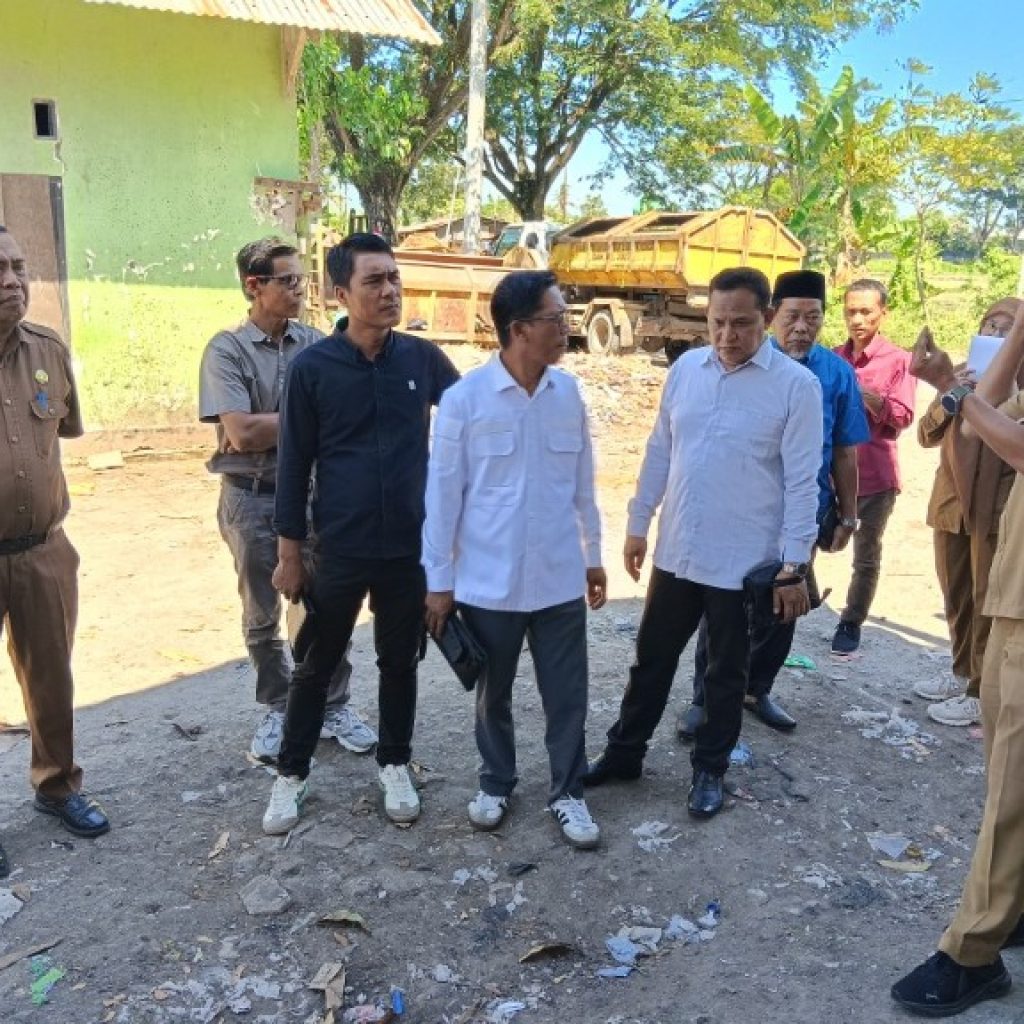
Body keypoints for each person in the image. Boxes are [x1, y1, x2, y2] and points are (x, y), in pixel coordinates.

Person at [583, 267, 822, 819]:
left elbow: (802, 483)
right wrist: (639, 522)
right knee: (651, 660)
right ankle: (624, 753)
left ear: (766, 318)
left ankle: (710, 770)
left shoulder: (796, 388)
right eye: (717, 322)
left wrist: (793, 566)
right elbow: (660, 449)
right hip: (678, 550)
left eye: (741, 324)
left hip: (743, 562)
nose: (726, 336)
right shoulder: (687, 370)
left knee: (724, 674)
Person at [261, 233, 459, 834]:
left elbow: (471, 418)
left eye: (394, 278)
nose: (390, 290)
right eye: (374, 280)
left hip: (407, 550)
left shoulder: (421, 360)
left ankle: (394, 764)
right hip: (338, 548)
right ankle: (291, 774)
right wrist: (290, 553)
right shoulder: (313, 369)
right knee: (314, 665)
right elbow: (293, 465)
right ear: (341, 294)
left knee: (400, 662)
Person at [422, 270, 607, 849]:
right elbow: (442, 498)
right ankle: (495, 782)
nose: (566, 329)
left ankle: (568, 792)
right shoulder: (465, 401)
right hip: (488, 581)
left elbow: (583, 485)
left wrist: (593, 556)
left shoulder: (568, 395)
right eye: (557, 319)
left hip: (558, 577)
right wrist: (439, 582)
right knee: (492, 692)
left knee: (567, 694)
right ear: (520, 329)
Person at [891, 302, 1024, 1017]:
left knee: (1012, 791)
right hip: (1012, 595)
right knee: (1006, 773)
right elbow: (983, 414)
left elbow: (1015, 445)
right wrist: (1006, 346)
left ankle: (972, 953)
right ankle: (1015, 905)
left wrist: (951, 388)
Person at [199, 238, 376, 762]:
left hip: (316, 499)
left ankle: (333, 704)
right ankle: (279, 707)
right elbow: (242, 433)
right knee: (263, 614)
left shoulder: (316, 343)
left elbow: (349, 410)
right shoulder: (226, 350)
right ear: (254, 286)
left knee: (329, 606)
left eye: (302, 279)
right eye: (289, 280)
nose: (301, 289)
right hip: (252, 499)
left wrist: (296, 421)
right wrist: (311, 416)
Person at [677, 269, 868, 737]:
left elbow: (844, 450)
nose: (802, 327)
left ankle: (755, 689)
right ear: (770, 316)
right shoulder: (740, 363)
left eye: (813, 317)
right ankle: (704, 699)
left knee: (785, 607)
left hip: (803, 514)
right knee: (723, 608)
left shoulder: (837, 373)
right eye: (792, 316)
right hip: (743, 510)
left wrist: (848, 515)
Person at [0, 226, 110, 868]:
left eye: (18, 266)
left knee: (51, 677)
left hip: (44, 549)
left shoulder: (48, 350)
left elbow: (60, 432)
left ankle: (57, 785)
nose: (12, 281)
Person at [912, 299, 1021, 727]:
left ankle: (979, 689)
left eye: (1007, 328)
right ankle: (960, 672)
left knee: (985, 600)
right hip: (951, 503)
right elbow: (925, 434)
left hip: (994, 508)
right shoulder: (960, 373)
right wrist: (951, 393)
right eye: (990, 325)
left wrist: (989, 396)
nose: (995, 334)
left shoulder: (1018, 387)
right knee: (956, 594)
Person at [830, 280, 916, 654]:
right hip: (831, 474)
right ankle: (803, 598)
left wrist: (861, 391)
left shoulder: (899, 361)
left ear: (883, 313)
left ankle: (851, 622)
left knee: (865, 556)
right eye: (851, 311)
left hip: (874, 476)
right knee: (805, 538)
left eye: (866, 311)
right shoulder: (832, 357)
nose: (858, 319)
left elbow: (903, 416)